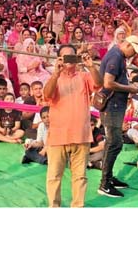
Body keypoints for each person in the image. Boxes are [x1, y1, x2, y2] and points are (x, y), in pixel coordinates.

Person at [43, 45, 102, 207]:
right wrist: (56, 73)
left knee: (80, 176)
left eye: (72, 56)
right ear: (59, 59)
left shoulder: (84, 76)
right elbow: (47, 95)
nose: (69, 60)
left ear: (77, 58)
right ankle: (54, 207)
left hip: (81, 135)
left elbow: (99, 83)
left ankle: (78, 207)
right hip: (58, 136)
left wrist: (91, 66)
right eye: (65, 57)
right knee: (54, 176)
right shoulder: (54, 78)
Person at [98, 35, 138, 198]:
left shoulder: (118, 55)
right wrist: (130, 89)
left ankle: (108, 178)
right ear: (129, 45)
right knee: (114, 142)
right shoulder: (116, 56)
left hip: (115, 105)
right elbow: (108, 83)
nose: (133, 55)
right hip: (112, 106)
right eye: (133, 51)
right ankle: (104, 183)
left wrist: (131, 86)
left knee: (114, 142)